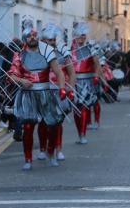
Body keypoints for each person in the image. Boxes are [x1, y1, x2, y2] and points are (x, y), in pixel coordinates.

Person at [9, 20, 67, 170]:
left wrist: (62, 88)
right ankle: (28, 159)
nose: (32, 38)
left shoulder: (47, 51)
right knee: (28, 127)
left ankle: (51, 152)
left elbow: (59, 72)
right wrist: (22, 81)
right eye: (29, 36)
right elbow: (11, 76)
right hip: (27, 95)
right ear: (24, 39)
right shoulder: (19, 55)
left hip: (46, 93)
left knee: (53, 124)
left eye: (34, 35)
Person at [40, 23, 75, 162]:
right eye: (49, 40)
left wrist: (70, 89)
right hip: (42, 91)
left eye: (54, 40)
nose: (52, 42)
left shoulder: (63, 53)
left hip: (59, 91)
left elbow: (72, 73)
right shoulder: (38, 53)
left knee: (58, 122)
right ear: (43, 40)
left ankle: (58, 149)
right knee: (43, 122)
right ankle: (42, 149)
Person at [71, 22, 105, 144]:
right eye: (79, 35)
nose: (82, 37)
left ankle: (83, 135)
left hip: (87, 82)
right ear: (75, 35)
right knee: (76, 110)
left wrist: (97, 75)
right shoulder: (69, 49)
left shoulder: (91, 47)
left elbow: (97, 63)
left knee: (85, 107)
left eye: (84, 35)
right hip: (73, 82)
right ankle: (79, 132)